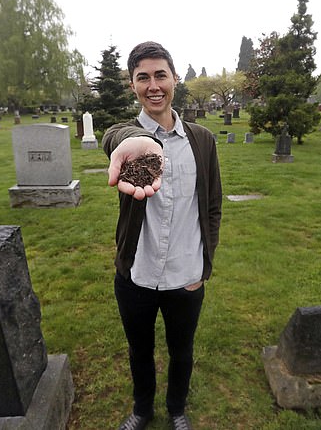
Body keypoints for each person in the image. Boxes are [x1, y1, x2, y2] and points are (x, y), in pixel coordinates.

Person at [103, 41, 222, 430]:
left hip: (186, 273)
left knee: (181, 351)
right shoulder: (130, 139)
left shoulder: (202, 140)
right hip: (137, 271)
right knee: (139, 350)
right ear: (133, 86)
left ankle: (177, 410)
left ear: (174, 80)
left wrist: (205, 263)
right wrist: (133, 141)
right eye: (143, 78)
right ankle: (142, 410)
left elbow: (214, 206)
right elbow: (114, 135)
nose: (153, 85)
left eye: (160, 75)